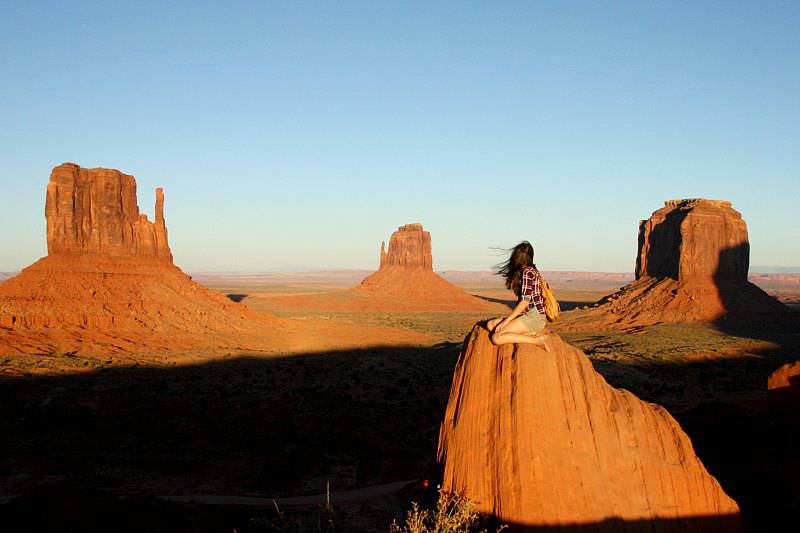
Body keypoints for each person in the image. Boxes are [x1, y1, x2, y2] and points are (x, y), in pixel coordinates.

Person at [487, 241, 550, 349]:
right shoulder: (531, 271)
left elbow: (525, 301)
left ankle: (535, 340)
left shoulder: (527, 273)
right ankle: (525, 334)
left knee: (497, 337)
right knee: (491, 325)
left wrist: (507, 320)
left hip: (534, 318)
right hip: (528, 315)